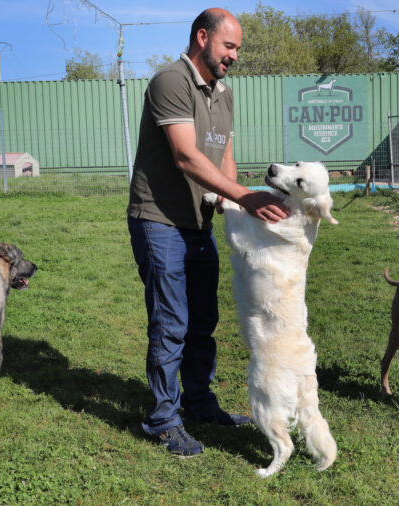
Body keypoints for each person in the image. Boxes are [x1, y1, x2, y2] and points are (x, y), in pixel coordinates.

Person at [126, 8, 289, 456]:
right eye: (229, 46)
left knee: (203, 321)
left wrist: (234, 205)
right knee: (171, 321)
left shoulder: (224, 93)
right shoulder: (170, 81)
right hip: (158, 219)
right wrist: (247, 194)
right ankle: (161, 419)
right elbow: (185, 156)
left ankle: (198, 403)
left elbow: (222, 156)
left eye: (238, 48)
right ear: (203, 38)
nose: (235, 56)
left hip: (199, 221)